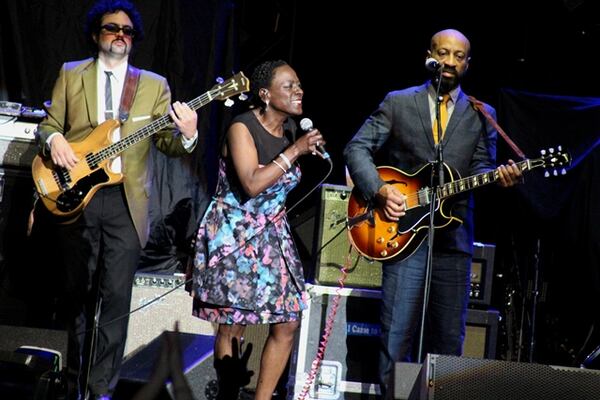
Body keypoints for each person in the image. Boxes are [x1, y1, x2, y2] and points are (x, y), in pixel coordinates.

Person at [343, 28, 522, 397]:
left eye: (459, 56)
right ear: (430, 55)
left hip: (452, 241)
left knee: (446, 341)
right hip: (404, 236)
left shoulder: (481, 113)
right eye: (444, 53)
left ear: (468, 63)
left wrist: (499, 177)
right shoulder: (398, 102)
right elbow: (356, 149)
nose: (450, 62)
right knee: (395, 335)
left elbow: (478, 170)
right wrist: (379, 190)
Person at [35, 1, 198, 398]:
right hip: (77, 195)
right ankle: (73, 384)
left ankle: (101, 389)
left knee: (116, 300)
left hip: (127, 201)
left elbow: (166, 143)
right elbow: (49, 124)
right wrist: (55, 139)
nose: (120, 35)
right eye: (112, 28)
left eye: (127, 31)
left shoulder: (154, 85)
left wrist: (188, 134)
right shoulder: (72, 74)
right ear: (97, 34)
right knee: (77, 297)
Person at [190, 59, 325, 400]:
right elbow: (251, 184)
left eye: (299, 85)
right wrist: (295, 151)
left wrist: (299, 147)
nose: (299, 91)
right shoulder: (242, 128)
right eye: (289, 86)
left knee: (288, 320)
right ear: (265, 94)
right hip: (235, 236)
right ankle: (228, 394)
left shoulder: (294, 131)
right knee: (234, 322)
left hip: (272, 238)